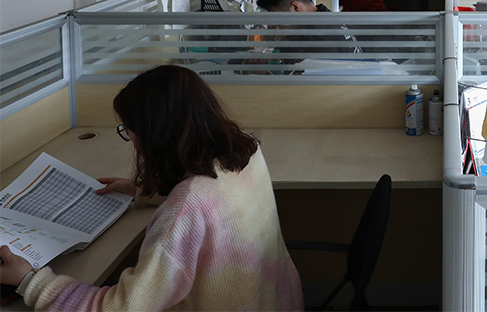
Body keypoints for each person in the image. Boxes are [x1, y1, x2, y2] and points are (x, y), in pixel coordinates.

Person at [0, 65, 303, 311]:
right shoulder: (245, 153)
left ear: (155, 135)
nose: (132, 141)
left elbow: (121, 308)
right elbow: (216, 208)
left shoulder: (186, 210)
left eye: (129, 131)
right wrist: (142, 190)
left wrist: (30, 281)